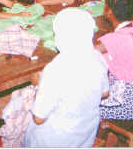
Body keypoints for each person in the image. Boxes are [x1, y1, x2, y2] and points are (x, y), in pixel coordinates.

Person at [24, 8, 109, 147]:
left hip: (56, 139)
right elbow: (105, 93)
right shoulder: (98, 58)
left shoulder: (55, 70)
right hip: (85, 136)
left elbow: (39, 118)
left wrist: (37, 86)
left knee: (24, 118)